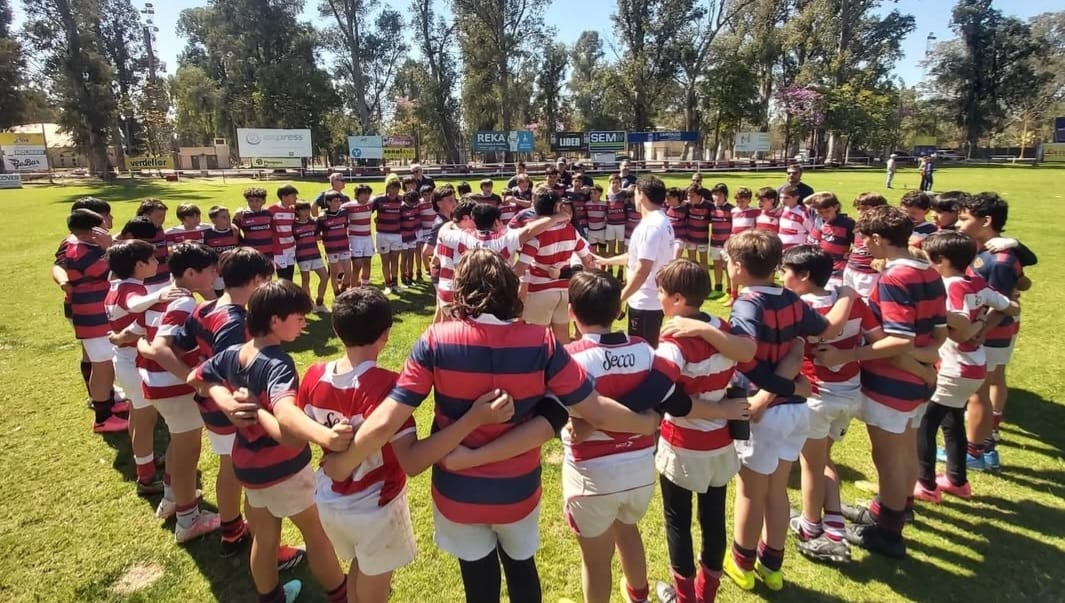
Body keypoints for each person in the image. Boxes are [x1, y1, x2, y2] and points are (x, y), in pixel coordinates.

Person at [324, 248, 661, 603]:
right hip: (517, 492)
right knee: (522, 569)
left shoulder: (436, 340)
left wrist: (344, 463)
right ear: (511, 290)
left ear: (460, 289)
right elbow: (594, 410)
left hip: (458, 494)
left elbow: (386, 420)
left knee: (478, 581)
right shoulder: (541, 341)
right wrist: (646, 421)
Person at [295, 287, 511, 603]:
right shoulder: (386, 385)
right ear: (386, 334)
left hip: (330, 500)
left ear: (337, 330)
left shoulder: (314, 374)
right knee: (374, 586)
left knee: (360, 565)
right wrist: (473, 419)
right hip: (375, 507)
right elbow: (413, 460)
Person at [188, 280, 347, 603]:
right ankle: (341, 595)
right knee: (316, 535)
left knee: (264, 535)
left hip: (247, 466)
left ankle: (270, 598)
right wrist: (324, 435)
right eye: (299, 317)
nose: (304, 323)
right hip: (283, 469)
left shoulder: (233, 353)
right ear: (275, 321)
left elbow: (196, 378)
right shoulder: (277, 364)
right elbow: (287, 429)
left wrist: (227, 399)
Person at [817, 205, 947, 559]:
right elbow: (938, 331)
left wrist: (843, 357)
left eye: (865, 240)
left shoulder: (894, 278)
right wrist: (925, 361)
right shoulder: (929, 270)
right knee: (905, 447)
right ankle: (894, 508)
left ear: (877, 238)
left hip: (891, 381)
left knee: (887, 456)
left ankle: (888, 533)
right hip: (917, 379)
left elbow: (897, 340)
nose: (863, 247)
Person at [162, 249, 304, 568]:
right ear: (256, 281)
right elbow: (233, 370)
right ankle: (263, 544)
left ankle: (230, 530)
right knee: (246, 481)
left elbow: (182, 346)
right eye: (266, 280)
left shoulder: (207, 308)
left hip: (213, 406)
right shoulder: (234, 320)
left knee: (230, 469)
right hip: (231, 413)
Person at [556, 271, 690, 603]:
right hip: (640, 472)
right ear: (620, 310)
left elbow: (556, 414)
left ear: (571, 312)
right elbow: (670, 399)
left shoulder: (569, 358)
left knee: (596, 560)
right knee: (628, 530)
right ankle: (638, 596)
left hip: (592, 476)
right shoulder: (645, 350)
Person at [652, 260, 751, 603]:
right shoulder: (721, 325)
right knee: (713, 518)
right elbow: (747, 350)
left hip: (683, 442)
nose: (659, 298)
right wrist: (721, 409)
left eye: (662, 292)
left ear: (678, 299)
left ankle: (684, 598)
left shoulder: (675, 339)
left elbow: (664, 394)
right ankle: (705, 595)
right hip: (720, 443)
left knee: (677, 521)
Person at [779, 245, 881, 565]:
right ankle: (834, 523)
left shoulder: (798, 308)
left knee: (810, 464)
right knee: (823, 458)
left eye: (785, 271)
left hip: (817, 397)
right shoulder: (848, 301)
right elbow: (876, 338)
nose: (781, 276)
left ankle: (811, 527)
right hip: (849, 393)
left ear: (804, 276)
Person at [915, 231, 1017, 503]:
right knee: (952, 421)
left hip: (952, 368)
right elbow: (1011, 306)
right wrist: (983, 326)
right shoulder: (976, 282)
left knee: (924, 423)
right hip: (975, 365)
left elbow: (958, 322)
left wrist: (924, 310)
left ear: (940, 260)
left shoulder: (950, 286)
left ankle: (924, 484)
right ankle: (957, 480)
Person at [136, 242, 221, 542]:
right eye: (211, 270)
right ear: (189, 272)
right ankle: (188, 520)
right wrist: (190, 377)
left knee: (177, 442)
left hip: (156, 385)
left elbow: (143, 336)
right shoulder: (183, 303)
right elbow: (160, 347)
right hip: (174, 388)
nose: (215, 275)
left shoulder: (161, 293)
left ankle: (172, 497)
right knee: (188, 452)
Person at [955, 193, 1032, 472]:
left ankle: (976, 452)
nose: (959, 224)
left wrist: (980, 331)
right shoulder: (988, 251)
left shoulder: (999, 259)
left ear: (986, 221)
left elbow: (1002, 304)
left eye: (964, 218)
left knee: (979, 392)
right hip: (990, 333)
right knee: (985, 386)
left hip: (990, 334)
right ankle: (985, 444)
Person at [104, 238, 183, 495]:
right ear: (139, 265)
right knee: (144, 419)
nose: (157, 263)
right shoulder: (130, 290)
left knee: (138, 417)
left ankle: (145, 461)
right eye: (152, 259)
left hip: (124, 359)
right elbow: (133, 305)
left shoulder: (118, 284)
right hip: (131, 361)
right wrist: (159, 294)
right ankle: (146, 477)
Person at [57, 209, 127, 433]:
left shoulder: (82, 245)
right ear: (91, 232)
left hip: (95, 316)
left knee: (104, 365)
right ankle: (103, 418)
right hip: (92, 317)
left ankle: (109, 406)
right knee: (103, 366)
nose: (106, 228)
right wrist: (110, 247)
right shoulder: (82, 252)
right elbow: (116, 268)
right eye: (101, 226)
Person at [595, 176, 675, 348]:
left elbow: (643, 268)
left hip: (646, 301)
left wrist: (621, 298)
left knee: (644, 350)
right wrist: (606, 260)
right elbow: (637, 257)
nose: (633, 199)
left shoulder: (650, 227)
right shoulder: (661, 220)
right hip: (650, 298)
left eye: (635, 194)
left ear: (642, 195)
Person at [515, 189, 595, 343]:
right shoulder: (571, 230)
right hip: (564, 291)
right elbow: (588, 261)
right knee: (562, 341)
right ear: (557, 207)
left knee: (538, 341)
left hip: (539, 291)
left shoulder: (536, 235)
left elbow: (520, 268)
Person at [841, 193, 888, 302]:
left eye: (865, 209)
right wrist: (852, 252)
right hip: (852, 268)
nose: (861, 212)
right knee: (848, 299)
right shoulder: (859, 225)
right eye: (858, 209)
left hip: (869, 273)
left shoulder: (882, 229)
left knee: (867, 301)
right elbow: (858, 243)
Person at [806, 192, 855, 286]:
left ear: (836, 207)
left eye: (828, 211)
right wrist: (823, 193)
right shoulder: (817, 218)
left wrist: (852, 252)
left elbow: (860, 242)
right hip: (816, 264)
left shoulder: (846, 223)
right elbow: (806, 201)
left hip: (836, 268)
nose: (824, 215)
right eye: (820, 212)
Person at [292, 201, 329, 311]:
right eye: (303, 210)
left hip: (315, 254)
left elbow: (318, 235)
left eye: (308, 209)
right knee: (305, 280)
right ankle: (309, 303)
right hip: (302, 255)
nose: (306, 212)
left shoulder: (313, 223)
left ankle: (320, 301)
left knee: (325, 277)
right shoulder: (293, 225)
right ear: (297, 211)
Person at [372, 180, 404, 294]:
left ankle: (395, 284)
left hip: (397, 234)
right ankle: (388, 285)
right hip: (382, 234)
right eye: (392, 188)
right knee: (385, 262)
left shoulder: (401, 201)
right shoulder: (379, 200)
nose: (394, 191)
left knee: (395, 260)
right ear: (387, 188)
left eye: (397, 188)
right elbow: (368, 211)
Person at [317, 194, 351, 300]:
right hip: (331, 249)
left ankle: (343, 289)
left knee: (348, 272)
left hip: (344, 246)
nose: (338, 202)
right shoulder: (323, 217)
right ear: (328, 202)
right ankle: (337, 294)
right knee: (334, 273)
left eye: (339, 200)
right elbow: (317, 233)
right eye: (335, 200)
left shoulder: (344, 213)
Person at [342, 184, 374, 289]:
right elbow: (334, 211)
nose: (367, 196)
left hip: (368, 238)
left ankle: (364, 287)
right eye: (364, 194)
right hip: (355, 239)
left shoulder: (371, 203)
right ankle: (353, 289)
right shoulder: (348, 206)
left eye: (368, 194)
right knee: (357, 265)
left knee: (367, 263)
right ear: (357, 195)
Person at [204, 206, 241, 295]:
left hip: (234, 271)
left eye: (228, 216)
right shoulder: (208, 234)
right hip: (217, 273)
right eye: (224, 217)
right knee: (219, 297)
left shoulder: (234, 231)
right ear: (213, 220)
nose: (228, 219)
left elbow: (241, 248)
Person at [135, 198, 171, 290]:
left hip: (165, 277)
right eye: (159, 216)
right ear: (145, 215)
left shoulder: (159, 229)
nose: (162, 220)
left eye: (164, 216)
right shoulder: (136, 230)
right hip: (147, 281)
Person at [234, 188, 276, 261]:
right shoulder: (242, 215)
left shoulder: (268, 214)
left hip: (269, 251)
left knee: (268, 272)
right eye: (250, 201)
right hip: (252, 253)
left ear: (263, 201)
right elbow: (234, 231)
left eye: (257, 200)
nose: (254, 203)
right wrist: (242, 244)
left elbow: (274, 229)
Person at [269, 185, 299, 282]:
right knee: (282, 277)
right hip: (279, 250)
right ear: (284, 197)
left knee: (290, 275)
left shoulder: (293, 210)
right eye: (293, 195)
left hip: (291, 248)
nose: (296, 198)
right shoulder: (272, 210)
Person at [708, 184, 733, 297]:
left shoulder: (731, 209)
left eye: (720, 194)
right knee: (717, 265)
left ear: (725, 195)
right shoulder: (711, 208)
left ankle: (730, 291)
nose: (717, 197)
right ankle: (718, 289)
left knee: (728, 267)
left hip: (727, 244)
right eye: (715, 194)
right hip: (714, 242)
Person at [684, 185, 712, 271]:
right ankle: (693, 282)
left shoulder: (709, 205)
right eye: (688, 195)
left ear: (700, 196)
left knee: (703, 262)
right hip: (690, 238)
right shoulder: (687, 205)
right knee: (692, 262)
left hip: (702, 239)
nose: (689, 198)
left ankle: (705, 281)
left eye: (692, 196)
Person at [778, 185, 814, 251]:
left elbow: (811, 230)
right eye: (781, 198)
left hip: (796, 247)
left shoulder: (802, 212)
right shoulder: (783, 209)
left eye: (786, 198)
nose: (782, 200)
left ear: (796, 197)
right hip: (782, 244)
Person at [416, 185, 436, 281]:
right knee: (424, 252)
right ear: (421, 195)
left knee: (435, 251)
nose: (428, 196)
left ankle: (435, 268)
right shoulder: (419, 204)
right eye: (425, 195)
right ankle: (427, 270)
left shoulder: (436, 203)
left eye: (430, 194)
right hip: (424, 230)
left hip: (435, 229)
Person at [664, 187, 689, 261]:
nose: (666, 200)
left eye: (668, 198)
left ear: (676, 198)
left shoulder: (685, 209)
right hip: (669, 238)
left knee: (674, 260)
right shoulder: (667, 207)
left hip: (679, 239)